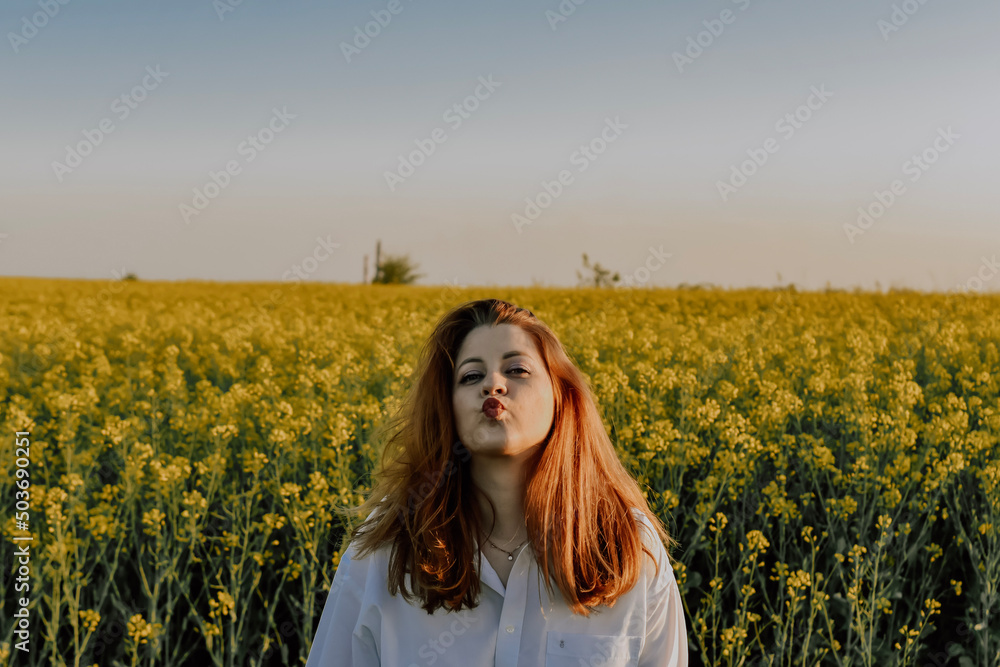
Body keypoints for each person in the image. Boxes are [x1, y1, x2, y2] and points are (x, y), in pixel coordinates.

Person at [305, 298, 688, 666]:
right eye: (471, 376)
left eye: (517, 370)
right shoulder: (385, 548)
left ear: (562, 394)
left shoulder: (627, 546)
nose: (493, 385)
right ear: (447, 406)